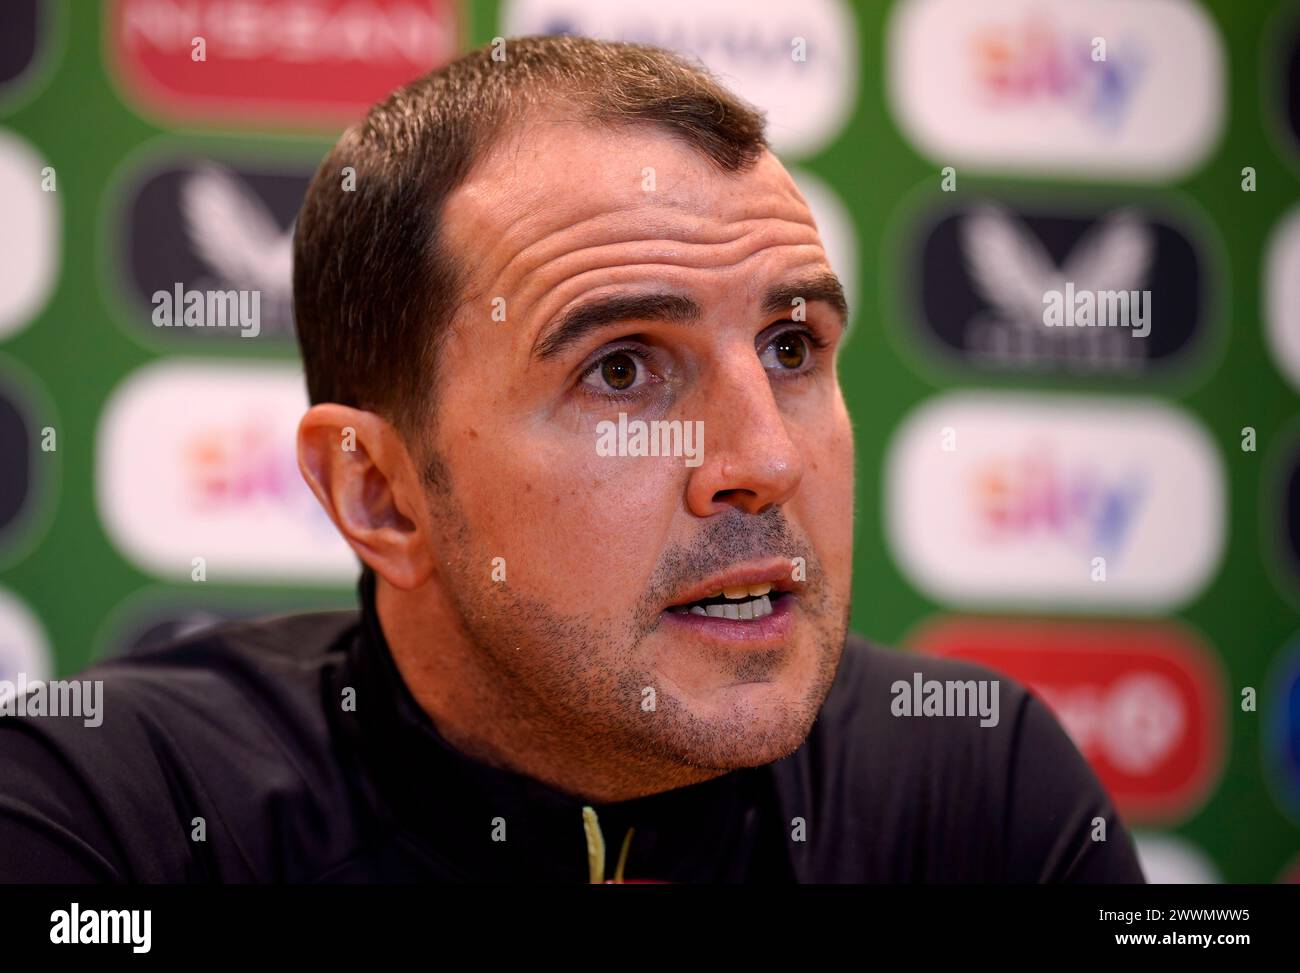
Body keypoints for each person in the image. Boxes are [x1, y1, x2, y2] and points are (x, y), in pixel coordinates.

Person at [0, 35, 1144, 883]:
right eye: (621, 370)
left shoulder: (971, 785)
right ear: (378, 492)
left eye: (790, 344)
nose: (762, 459)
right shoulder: (104, 816)